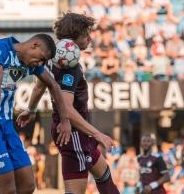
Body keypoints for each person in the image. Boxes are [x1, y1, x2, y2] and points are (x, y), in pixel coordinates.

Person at [17, 12, 120, 194]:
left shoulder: (52, 56)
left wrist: (31, 109)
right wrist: (98, 134)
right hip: (73, 135)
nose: (89, 38)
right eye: (85, 34)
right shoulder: (69, 65)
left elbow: (40, 86)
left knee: (104, 176)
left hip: (77, 134)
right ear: (74, 37)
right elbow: (68, 109)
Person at [0, 34, 71, 194]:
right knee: (8, 188)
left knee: (28, 185)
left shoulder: (29, 63)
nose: (41, 64)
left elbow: (53, 85)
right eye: (42, 59)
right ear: (34, 45)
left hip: (6, 125)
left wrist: (37, 111)